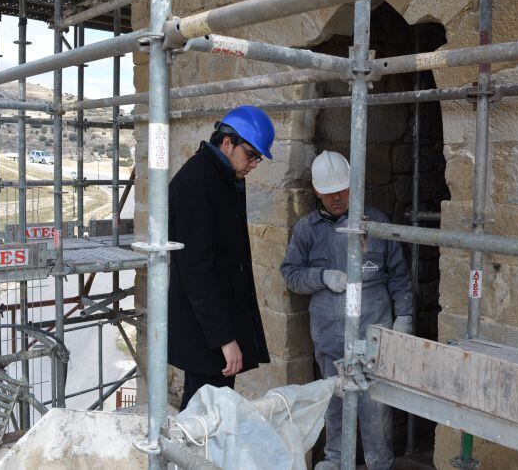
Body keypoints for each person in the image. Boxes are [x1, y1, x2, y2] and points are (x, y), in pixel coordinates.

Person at [280, 150, 414, 470]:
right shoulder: (307, 230)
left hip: (373, 332)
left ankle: (379, 464)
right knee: (334, 400)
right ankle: (337, 459)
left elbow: (399, 274)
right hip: (329, 335)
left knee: (375, 405)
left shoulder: (377, 223)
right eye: (329, 194)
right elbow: (291, 274)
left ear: (353, 187)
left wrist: (405, 316)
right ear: (317, 193)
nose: (337, 199)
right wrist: (321, 277)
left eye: (342, 191)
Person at [168, 105, 275, 410]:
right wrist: (225, 339)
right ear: (227, 143)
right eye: (251, 154)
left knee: (209, 414)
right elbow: (197, 269)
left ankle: (195, 459)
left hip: (213, 330)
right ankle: (190, 460)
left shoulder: (220, 177)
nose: (254, 163)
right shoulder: (199, 183)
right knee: (205, 418)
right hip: (206, 334)